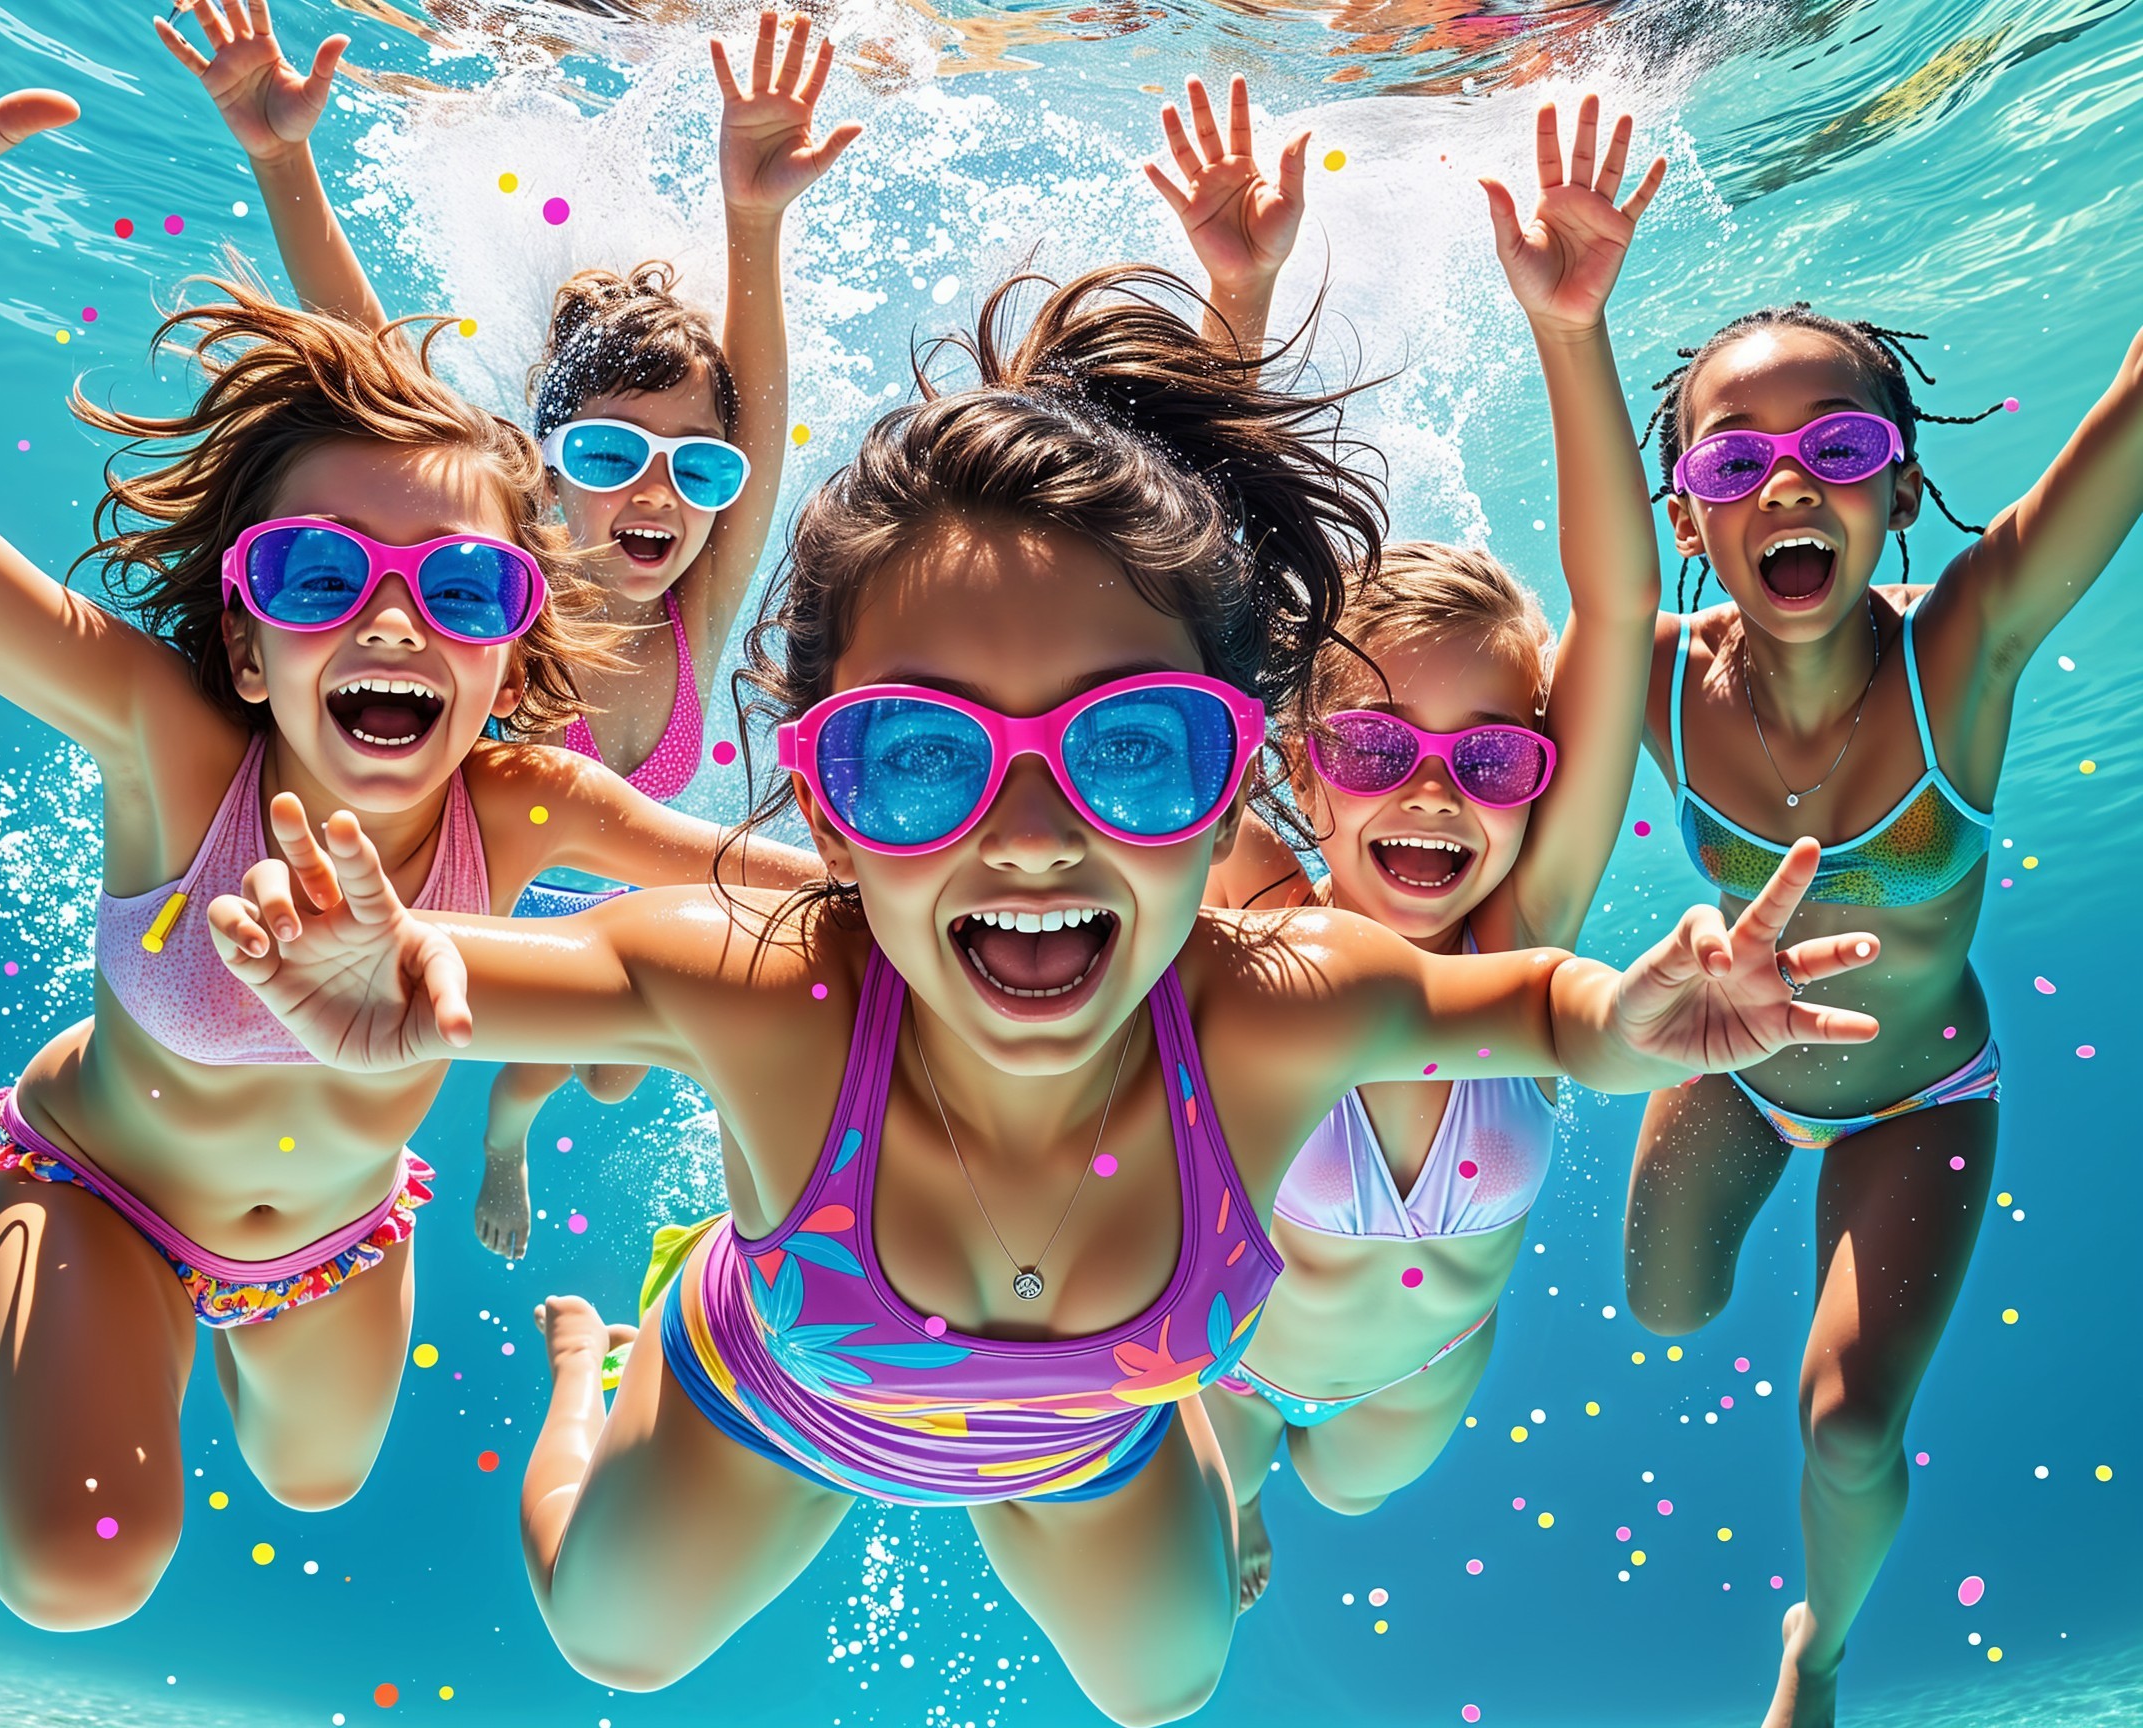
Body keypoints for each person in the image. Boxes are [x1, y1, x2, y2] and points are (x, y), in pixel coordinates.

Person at [207, 263, 1878, 1723]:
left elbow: (1518, 1011)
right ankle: (604, 1346)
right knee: (610, 1639)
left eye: (1129, 748)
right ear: (820, 789)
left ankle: (1095, 1454)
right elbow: (542, 971)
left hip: (1081, 1441)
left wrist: (1635, 1014)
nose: (1025, 835)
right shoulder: (779, 990)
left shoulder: (1272, 996)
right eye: (923, 756)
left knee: (1170, 1677)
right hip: (770, 1395)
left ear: (1231, 794)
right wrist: (400, 972)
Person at [0, 0, 814, 1629]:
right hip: (109, 1189)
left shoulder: (525, 794)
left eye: (457, 585)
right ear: (241, 630)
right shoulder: (172, 741)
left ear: (517, 632)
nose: (389, 624)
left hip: (343, 1230)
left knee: (317, 1477)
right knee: (83, 1574)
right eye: (314, 575)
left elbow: (784, 889)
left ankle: (56, 1367)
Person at [161, 0, 858, 1257]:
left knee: (608, 1068)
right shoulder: (484, 601)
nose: (658, 492)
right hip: (490, 914)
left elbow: (751, 438)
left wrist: (755, 221)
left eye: (694, 472)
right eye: (606, 454)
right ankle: (496, 1137)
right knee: (577, 1045)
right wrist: (283, 159)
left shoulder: (696, 603)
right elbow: (372, 365)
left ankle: (516, 1123)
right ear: (538, 472)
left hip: (621, 897)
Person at [1148, 78, 1666, 1606]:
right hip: (1229, 1358)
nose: (1432, 797)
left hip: (1423, 1374)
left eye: (1488, 758)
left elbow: (1620, 610)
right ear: (1301, 775)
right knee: (1188, 1586)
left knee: (1360, 1503)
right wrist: (1235, 304)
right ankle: (1229, 1480)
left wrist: (1572, 331)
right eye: (1376, 750)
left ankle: (1275, 1494)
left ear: (1542, 776)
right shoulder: (1249, 912)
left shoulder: (1532, 931)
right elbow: (1191, 617)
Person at [1629, 292, 2143, 1725]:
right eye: (1734, 465)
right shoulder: (1659, 676)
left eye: (1837, 447)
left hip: (1921, 1096)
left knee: (1847, 1426)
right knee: (1664, 1311)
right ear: (1687, 519)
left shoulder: (1964, 647)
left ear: (1904, 484)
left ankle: (1824, 1649)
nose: (1787, 486)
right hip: (1739, 1074)